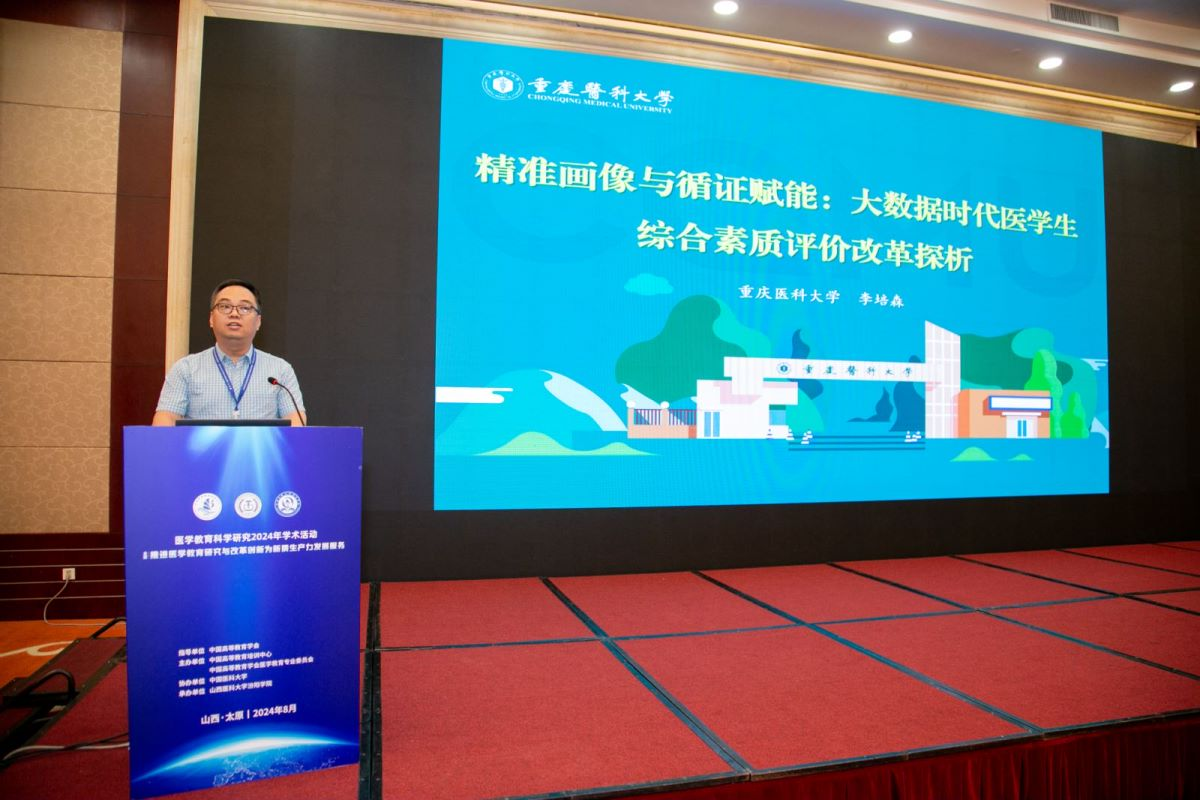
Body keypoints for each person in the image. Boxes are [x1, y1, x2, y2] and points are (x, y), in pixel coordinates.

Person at [152, 279, 306, 425]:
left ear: (258, 322)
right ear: (211, 318)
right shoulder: (186, 369)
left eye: (244, 308)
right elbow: (166, 418)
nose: (234, 314)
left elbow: (295, 421)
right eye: (225, 306)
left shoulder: (280, 370)